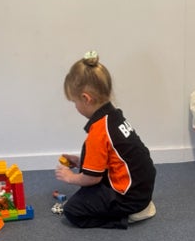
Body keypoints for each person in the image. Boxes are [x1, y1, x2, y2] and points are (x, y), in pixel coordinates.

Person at [54, 51, 156, 229]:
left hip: (130, 197)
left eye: (74, 102)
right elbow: (112, 155)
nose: (75, 107)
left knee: (73, 211)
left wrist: (71, 178)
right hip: (141, 188)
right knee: (88, 188)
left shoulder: (99, 131)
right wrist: (80, 161)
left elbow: (92, 179)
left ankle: (128, 216)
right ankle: (137, 206)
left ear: (86, 99)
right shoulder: (113, 117)